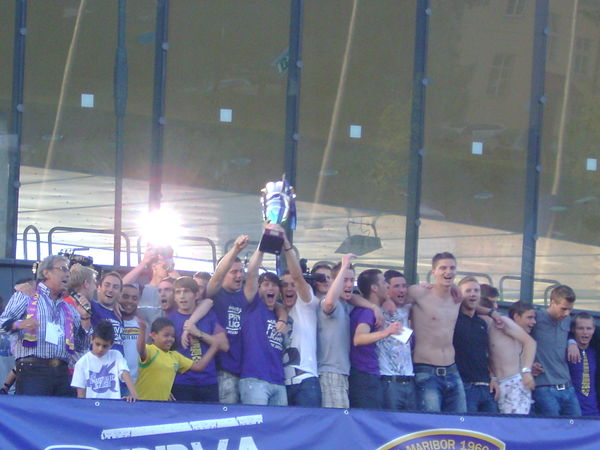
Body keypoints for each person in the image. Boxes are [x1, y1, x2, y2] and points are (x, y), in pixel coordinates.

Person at [183, 232, 286, 404]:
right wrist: (236, 249)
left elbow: (253, 273)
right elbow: (217, 275)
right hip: (224, 371)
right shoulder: (216, 294)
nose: (239, 276)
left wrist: (264, 240)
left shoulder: (245, 297)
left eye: (240, 272)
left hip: (246, 372)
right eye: (234, 272)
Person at [408, 252, 502, 413]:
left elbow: (471, 306)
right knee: (431, 424)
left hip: (452, 371)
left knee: (459, 423)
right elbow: (393, 300)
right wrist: (379, 306)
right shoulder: (419, 292)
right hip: (426, 370)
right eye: (443, 268)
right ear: (433, 272)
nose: (448, 272)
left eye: (452, 268)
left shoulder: (455, 297)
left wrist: (490, 312)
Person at [0, 255, 92, 396]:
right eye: (62, 268)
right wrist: (19, 324)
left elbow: (81, 347)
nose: (67, 273)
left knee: (60, 417)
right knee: (33, 415)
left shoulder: (70, 308)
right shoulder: (27, 294)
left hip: (62, 372)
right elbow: (2, 323)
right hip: (33, 371)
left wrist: (85, 318)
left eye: (68, 270)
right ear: (46, 273)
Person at [317, 253, 383, 408]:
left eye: (351, 280)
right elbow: (329, 303)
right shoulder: (327, 304)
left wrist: (373, 307)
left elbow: (352, 297)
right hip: (331, 373)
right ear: (334, 282)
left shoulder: (346, 305)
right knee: (337, 425)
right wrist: (344, 265)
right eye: (344, 279)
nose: (348, 284)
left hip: (343, 373)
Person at [238, 243, 287, 406]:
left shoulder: (279, 311)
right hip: (254, 378)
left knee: (280, 429)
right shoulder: (253, 305)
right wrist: (264, 244)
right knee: (257, 427)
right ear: (258, 289)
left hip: (278, 380)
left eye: (274, 285)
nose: (270, 288)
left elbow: (281, 309)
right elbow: (252, 273)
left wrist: (282, 318)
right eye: (266, 284)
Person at [279, 229, 322, 407]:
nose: (289, 289)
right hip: (281, 384)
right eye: (284, 285)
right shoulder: (276, 310)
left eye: (292, 285)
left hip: (306, 382)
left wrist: (286, 245)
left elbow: (297, 277)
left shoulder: (306, 304)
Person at [169, 276, 228, 403]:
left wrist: (199, 333)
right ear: (174, 297)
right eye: (178, 292)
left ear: (196, 295)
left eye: (186, 291)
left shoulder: (209, 316)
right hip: (181, 382)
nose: (182, 296)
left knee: (210, 422)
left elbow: (224, 346)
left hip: (208, 382)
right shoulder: (170, 319)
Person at [349, 268, 401, 409]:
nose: (388, 286)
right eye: (384, 282)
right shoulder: (367, 312)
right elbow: (358, 339)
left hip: (366, 374)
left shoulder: (369, 309)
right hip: (364, 375)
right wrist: (387, 332)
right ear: (374, 288)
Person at [531, 284, 582, 416]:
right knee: (552, 430)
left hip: (567, 386)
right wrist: (526, 365)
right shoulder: (536, 318)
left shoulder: (567, 320)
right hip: (544, 387)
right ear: (553, 303)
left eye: (570, 309)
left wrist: (572, 342)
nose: (566, 313)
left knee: (576, 427)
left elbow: (572, 333)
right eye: (563, 309)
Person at [135, 317, 214, 401]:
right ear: (153, 335)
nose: (170, 339)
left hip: (161, 406)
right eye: (166, 335)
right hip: (143, 403)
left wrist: (214, 347)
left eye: (172, 336)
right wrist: (142, 330)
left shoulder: (175, 356)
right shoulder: (150, 350)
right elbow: (141, 349)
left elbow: (199, 367)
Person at [480, 299, 536, 414]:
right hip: (497, 386)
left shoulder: (501, 322)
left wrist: (526, 371)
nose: (534, 322)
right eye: (530, 317)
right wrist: (493, 377)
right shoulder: (482, 329)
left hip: (514, 384)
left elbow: (530, 343)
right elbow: (490, 358)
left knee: (516, 426)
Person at [453, 277, 498, 413]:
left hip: (486, 386)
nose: (473, 294)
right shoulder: (453, 319)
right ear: (460, 294)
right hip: (465, 386)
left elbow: (488, 353)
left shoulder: (482, 323)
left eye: (476, 291)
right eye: (468, 291)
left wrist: (494, 378)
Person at [377, 269, 416, 411]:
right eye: (396, 286)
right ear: (386, 288)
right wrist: (385, 299)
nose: (402, 290)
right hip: (388, 380)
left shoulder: (408, 309)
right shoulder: (377, 309)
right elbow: (355, 297)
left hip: (409, 379)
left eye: (404, 286)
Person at [71, 319, 137, 402]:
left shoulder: (116, 355)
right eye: (97, 344)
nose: (100, 349)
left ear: (111, 345)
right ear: (91, 339)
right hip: (92, 409)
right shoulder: (81, 363)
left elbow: (125, 373)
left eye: (105, 346)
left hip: (113, 408)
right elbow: (81, 395)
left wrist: (133, 395)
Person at [567, 312, 599, 416]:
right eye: (580, 328)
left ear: (594, 330)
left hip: (594, 412)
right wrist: (570, 342)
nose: (585, 332)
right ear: (573, 330)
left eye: (589, 329)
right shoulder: (566, 352)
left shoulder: (595, 352)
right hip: (572, 412)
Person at [91, 272, 124, 355]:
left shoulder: (120, 313)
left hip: (118, 365)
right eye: (107, 285)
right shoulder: (92, 306)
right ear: (98, 288)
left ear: (120, 293)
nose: (110, 290)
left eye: (115, 287)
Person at [119, 284, 141, 384]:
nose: (130, 301)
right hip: (112, 382)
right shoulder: (109, 321)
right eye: (125, 296)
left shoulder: (143, 324)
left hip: (136, 384)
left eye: (134, 298)